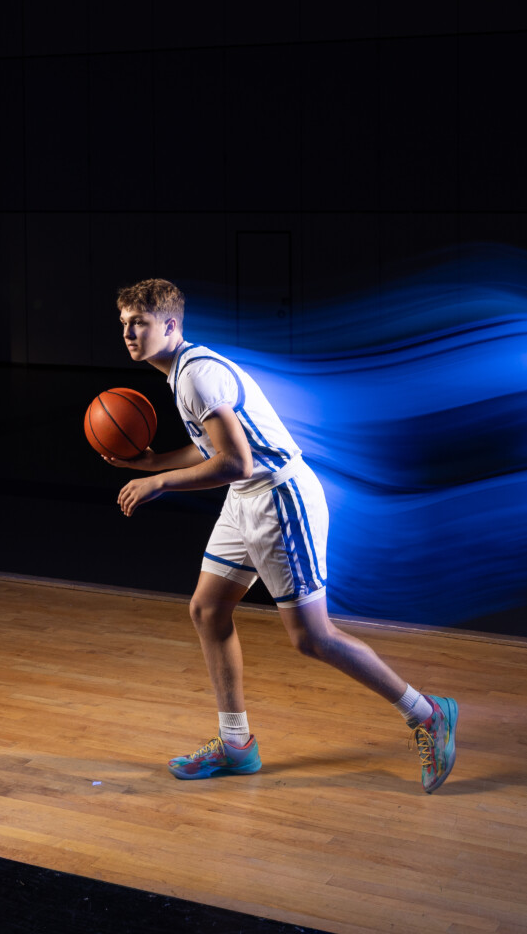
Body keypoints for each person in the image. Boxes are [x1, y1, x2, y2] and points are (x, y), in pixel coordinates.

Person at [103, 278, 458, 793]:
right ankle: (236, 744)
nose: (130, 333)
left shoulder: (198, 375)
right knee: (207, 610)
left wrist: (159, 481)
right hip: (246, 497)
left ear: (171, 325)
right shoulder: (183, 372)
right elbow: (215, 449)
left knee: (312, 638)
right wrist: (158, 460)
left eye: (140, 322)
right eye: (124, 324)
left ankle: (427, 714)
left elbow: (237, 461)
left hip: (279, 499)